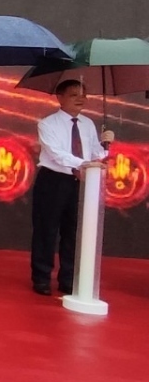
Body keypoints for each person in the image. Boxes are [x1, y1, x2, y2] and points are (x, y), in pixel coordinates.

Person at [30, 79, 113, 296]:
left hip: (80, 182)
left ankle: (68, 278)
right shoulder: (47, 124)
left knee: (73, 231)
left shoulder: (88, 124)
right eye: (74, 94)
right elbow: (56, 153)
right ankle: (41, 278)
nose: (80, 99)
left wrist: (106, 145)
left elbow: (96, 154)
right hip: (53, 180)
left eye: (83, 94)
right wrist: (82, 163)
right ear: (60, 97)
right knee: (46, 230)